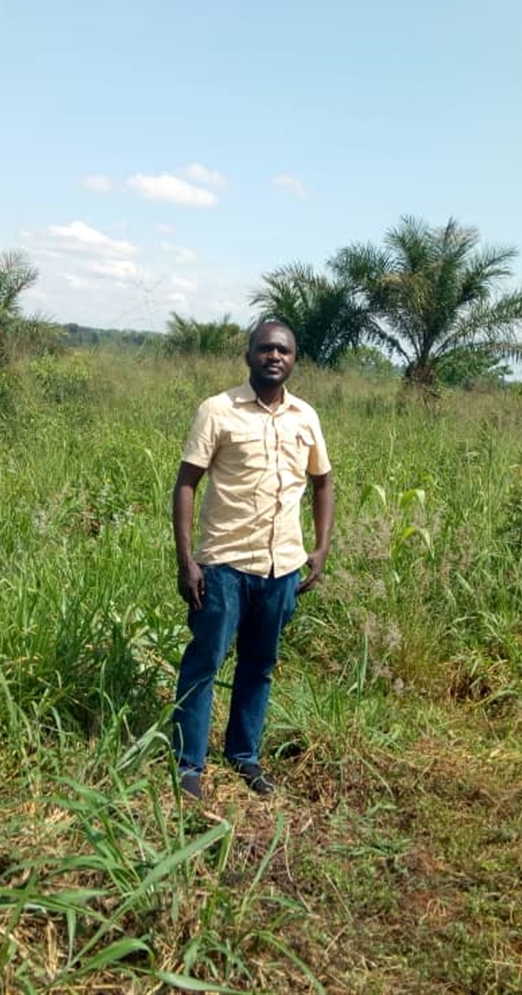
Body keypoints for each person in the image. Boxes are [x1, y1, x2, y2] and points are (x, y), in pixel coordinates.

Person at [171, 320, 334, 799]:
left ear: (294, 359)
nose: (274, 356)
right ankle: (189, 764)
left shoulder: (305, 417)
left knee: (259, 665)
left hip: (281, 568)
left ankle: (243, 756)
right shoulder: (217, 411)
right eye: (265, 349)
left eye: (283, 350)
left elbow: (323, 482)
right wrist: (187, 561)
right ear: (249, 356)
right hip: (223, 565)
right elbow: (186, 483)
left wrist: (320, 547)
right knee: (205, 663)